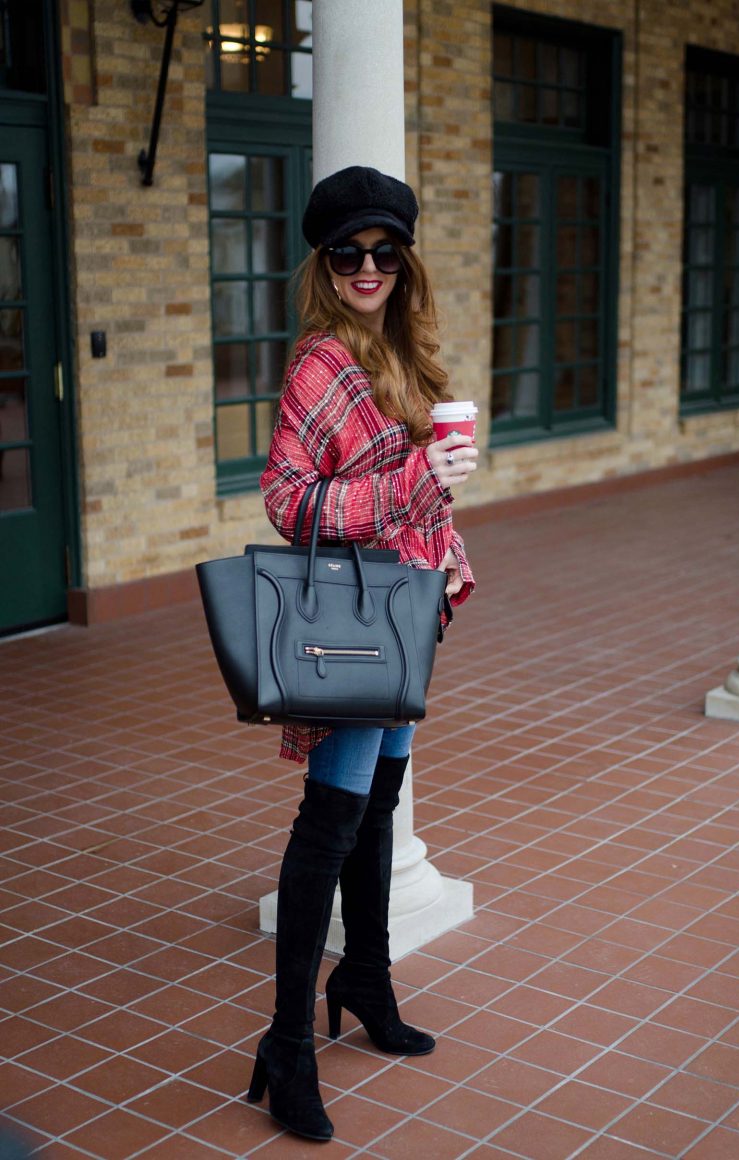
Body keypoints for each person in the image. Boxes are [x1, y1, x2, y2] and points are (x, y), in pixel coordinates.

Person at [249, 165, 477, 1141]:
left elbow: (414, 487)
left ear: (404, 259)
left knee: (379, 806)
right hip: (351, 621)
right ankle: (285, 1045)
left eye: (386, 250)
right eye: (351, 251)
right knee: (329, 824)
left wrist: (443, 478)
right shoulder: (319, 364)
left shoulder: (400, 352)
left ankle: (367, 976)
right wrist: (411, 482)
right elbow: (288, 499)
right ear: (324, 260)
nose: (370, 266)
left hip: (402, 613)